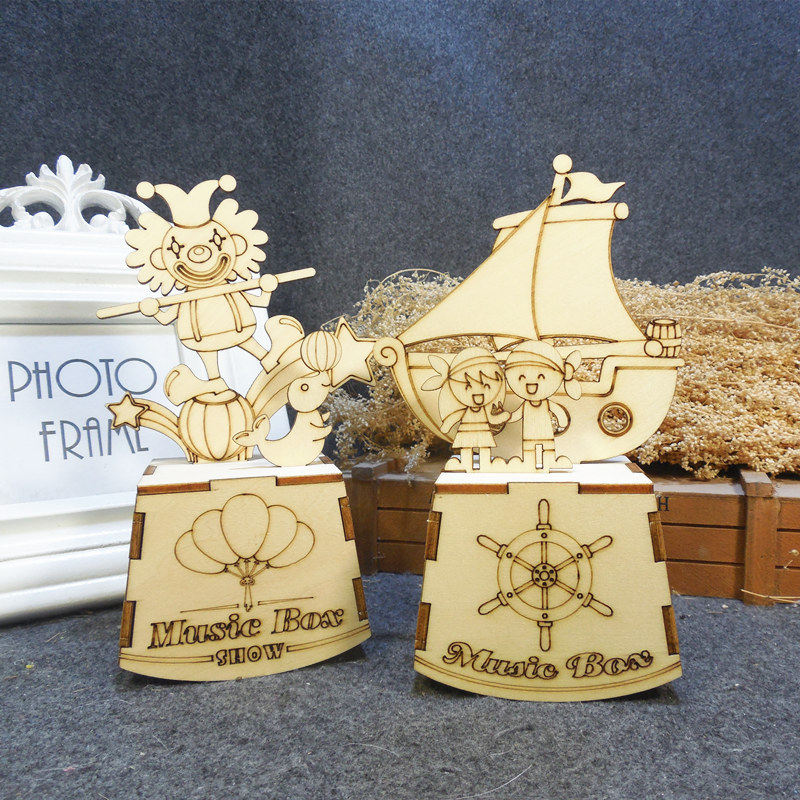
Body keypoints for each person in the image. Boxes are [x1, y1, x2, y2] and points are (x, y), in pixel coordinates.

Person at [423, 347, 510, 472]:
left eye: (485, 386)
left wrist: (502, 417)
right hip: (466, 432)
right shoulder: (464, 409)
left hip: (483, 431)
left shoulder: (485, 409)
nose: (477, 392)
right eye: (468, 386)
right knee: (466, 448)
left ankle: (486, 465)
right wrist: (447, 424)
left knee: (484, 448)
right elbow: (457, 415)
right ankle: (465, 465)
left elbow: (492, 419)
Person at [503, 340, 581, 471]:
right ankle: (528, 463)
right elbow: (516, 415)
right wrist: (507, 417)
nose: (531, 383)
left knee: (547, 447)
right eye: (521, 377)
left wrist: (562, 421)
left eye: (541, 376)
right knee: (529, 449)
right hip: (529, 434)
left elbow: (558, 411)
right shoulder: (526, 405)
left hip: (545, 433)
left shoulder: (546, 403)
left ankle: (550, 462)